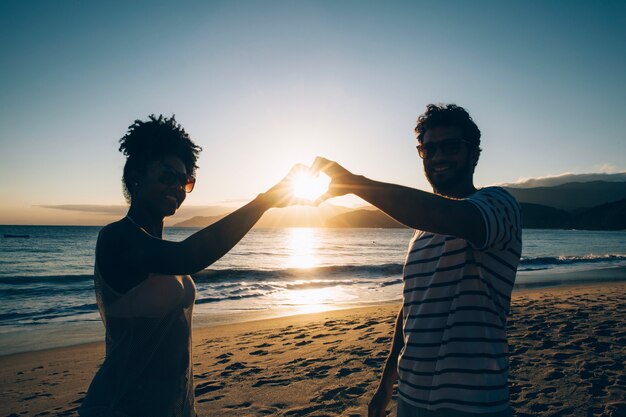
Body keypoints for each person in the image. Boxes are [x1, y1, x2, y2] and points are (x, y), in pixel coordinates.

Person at [79, 114, 304, 417]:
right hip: (122, 404)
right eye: (167, 175)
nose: (177, 186)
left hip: (173, 405)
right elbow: (188, 256)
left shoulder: (157, 245)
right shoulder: (117, 237)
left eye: (184, 180)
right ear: (136, 174)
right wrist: (263, 202)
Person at [313, 104, 522, 417]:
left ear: (474, 154)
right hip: (411, 398)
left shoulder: (497, 204)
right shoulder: (421, 232)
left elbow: (451, 216)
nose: (438, 157)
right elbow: (411, 308)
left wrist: (356, 184)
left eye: (449, 146)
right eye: (428, 149)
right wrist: (386, 388)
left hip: (475, 402)